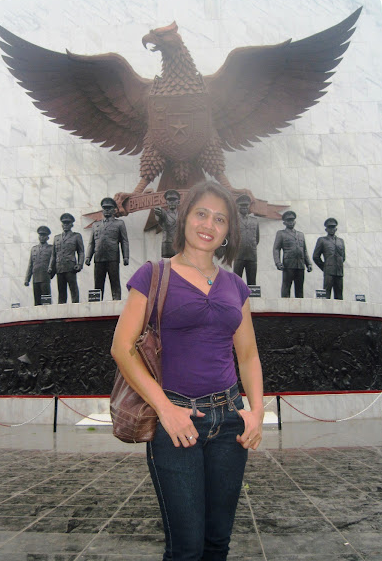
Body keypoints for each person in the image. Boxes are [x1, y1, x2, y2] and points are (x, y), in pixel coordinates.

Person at [111, 181, 264, 561]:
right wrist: (165, 410)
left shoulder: (235, 286)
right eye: (201, 213)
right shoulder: (153, 275)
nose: (209, 224)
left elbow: (248, 355)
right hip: (177, 420)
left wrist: (256, 413)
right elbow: (122, 348)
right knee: (186, 547)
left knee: (217, 543)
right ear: (184, 218)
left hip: (230, 422)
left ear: (229, 231)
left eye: (220, 219)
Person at [85, 197, 129, 300]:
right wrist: (88, 257)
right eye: (105, 208)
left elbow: (124, 241)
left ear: (114, 210)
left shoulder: (119, 223)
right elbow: (91, 243)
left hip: (112, 257)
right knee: (98, 283)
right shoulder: (96, 225)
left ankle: (116, 301)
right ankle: (97, 305)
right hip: (99, 257)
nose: (107, 210)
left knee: (115, 282)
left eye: (109, 208)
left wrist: (125, 257)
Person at [273, 210, 312, 298]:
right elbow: (276, 249)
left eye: (292, 220)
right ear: (284, 222)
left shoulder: (300, 235)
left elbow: (304, 250)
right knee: (286, 287)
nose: (291, 222)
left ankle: (300, 310)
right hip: (288, 265)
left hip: (300, 265)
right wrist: (278, 263)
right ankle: (285, 309)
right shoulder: (281, 233)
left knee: (299, 289)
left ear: (295, 221)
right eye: (288, 220)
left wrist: (308, 263)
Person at [48, 213, 84, 303]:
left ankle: (75, 306)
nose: (66, 225)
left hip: (70, 266)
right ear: (61, 225)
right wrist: (50, 267)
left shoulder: (76, 236)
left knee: (73, 288)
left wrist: (79, 264)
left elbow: (81, 252)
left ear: (71, 224)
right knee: (61, 290)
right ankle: (61, 309)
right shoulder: (57, 238)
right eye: (64, 223)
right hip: (59, 267)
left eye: (68, 223)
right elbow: (53, 254)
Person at [313, 218, 345, 299]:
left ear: (336, 229)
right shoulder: (322, 240)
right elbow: (316, 257)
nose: (331, 229)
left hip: (339, 272)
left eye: (333, 227)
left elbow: (343, 257)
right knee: (326, 294)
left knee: (339, 295)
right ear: (326, 229)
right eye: (329, 227)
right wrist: (324, 267)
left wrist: (338, 265)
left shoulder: (341, 241)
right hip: (329, 271)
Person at [233, 194, 260, 285]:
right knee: (236, 281)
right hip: (239, 254)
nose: (244, 208)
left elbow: (257, 238)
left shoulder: (254, 221)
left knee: (252, 282)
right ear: (238, 207)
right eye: (242, 206)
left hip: (252, 255)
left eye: (246, 206)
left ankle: (253, 299)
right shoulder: (234, 220)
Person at [24, 226, 53, 305]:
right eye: (40, 235)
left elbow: (53, 262)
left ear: (47, 237)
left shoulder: (51, 248)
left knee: (46, 300)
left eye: (44, 235)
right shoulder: (34, 249)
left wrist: (51, 274)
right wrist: (27, 279)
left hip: (45, 277)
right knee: (37, 301)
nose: (42, 237)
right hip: (35, 278)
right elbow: (30, 265)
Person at [154, 189, 181, 258]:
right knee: (167, 266)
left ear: (178, 201)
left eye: (174, 200)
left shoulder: (182, 215)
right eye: (169, 200)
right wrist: (158, 213)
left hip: (179, 244)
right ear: (166, 202)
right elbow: (159, 215)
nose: (172, 202)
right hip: (167, 245)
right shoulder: (163, 213)